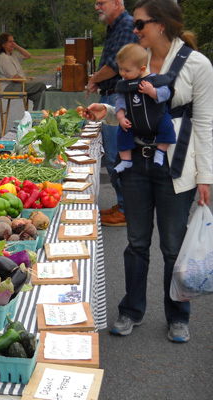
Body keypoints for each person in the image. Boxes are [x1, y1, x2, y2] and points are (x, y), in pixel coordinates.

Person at [82, 0, 213, 343]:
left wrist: (205, 178)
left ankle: (178, 316)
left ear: (162, 24)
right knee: (136, 243)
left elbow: (204, 122)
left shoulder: (197, 64)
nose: (135, 29)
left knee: (173, 246)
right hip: (137, 164)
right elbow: (133, 109)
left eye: (140, 24)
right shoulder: (133, 57)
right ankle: (131, 310)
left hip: (175, 167)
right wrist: (107, 111)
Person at [86, 0, 139, 227]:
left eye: (102, 2)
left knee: (118, 155)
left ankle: (127, 210)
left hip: (119, 98)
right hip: (111, 94)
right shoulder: (116, 27)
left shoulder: (126, 25)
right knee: (113, 154)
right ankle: (122, 204)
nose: (97, 6)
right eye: (96, 3)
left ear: (117, 3)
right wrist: (100, 80)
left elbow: (117, 65)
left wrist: (94, 78)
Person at [113, 43, 175, 174]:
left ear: (142, 69)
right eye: (120, 69)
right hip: (134, 119)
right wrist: (121, 117)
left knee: (167, 127)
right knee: (122, 131)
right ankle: (126, 160)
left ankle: (161, 150)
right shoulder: (124, 84)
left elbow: (167, 93)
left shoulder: (155, 80)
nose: (122, 73)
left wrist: (152, 91)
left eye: (127, 70)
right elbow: (120, 100)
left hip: (156, 117)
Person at [0, 32, 46, 110]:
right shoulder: (4, 58)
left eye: (13, 41)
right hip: (8, 87)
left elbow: (28, 55)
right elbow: (15, 78)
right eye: (10, 42)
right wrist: (27, 84)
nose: (12, 43)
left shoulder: (12, 55)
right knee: (41, 85)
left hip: (17, 85)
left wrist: (16, 46)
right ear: (3, 44)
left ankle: (35, 120)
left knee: (40, 96)